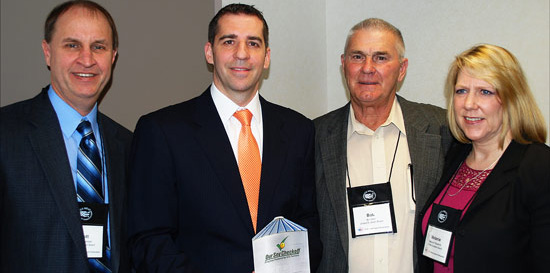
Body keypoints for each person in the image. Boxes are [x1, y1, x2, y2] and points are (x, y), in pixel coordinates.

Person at [127, 3, 321, 273]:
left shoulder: (299, 131)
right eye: (229, 41)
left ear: (266, 57)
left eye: (253, 43)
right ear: (210, 52)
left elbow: (308, 223)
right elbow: (149, 240)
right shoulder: (162, 132)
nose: (241, 54)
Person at [0, 1, 132, 272]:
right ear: (48, 53)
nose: (87, 59)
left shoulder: (129, 146)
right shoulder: (6, 133)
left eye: (99, 46)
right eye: (72, 45)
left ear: (113, 56)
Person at [314, 18, 454, 273]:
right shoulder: (314, 137)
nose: (367, 68)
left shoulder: (443, 130)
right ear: (343, 65)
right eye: (357, 57)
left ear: (402, 69)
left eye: (380, 58)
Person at [416, 44, 550, 273]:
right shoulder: (452, 155)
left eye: (485, 92)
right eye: (461, 91)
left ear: (511, 98)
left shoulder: (539, 166)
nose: (469, 104)